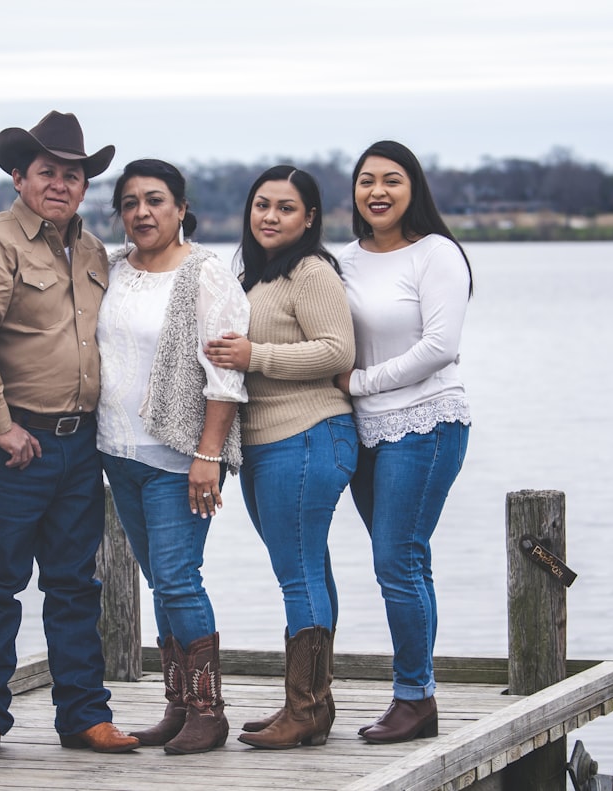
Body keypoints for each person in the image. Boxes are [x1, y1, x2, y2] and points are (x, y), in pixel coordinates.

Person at [0, 111, 139, 757]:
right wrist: (0, 427)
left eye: (73, 173)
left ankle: (84, 715)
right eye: (47, 171)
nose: (61, 182)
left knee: (75, 582)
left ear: (85, 185)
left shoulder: (89, 249)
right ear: (18, 176)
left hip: (78, 442)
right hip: (8, 442)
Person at [97, 159, 250, 754]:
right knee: (160, 581)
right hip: (117, 450)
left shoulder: (205, 275)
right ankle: (178, 704)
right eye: (130, 202)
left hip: (178, 454)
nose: (142, 212)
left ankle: (209, 712)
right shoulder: (110, 270)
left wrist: (208, 454)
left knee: (180, 580)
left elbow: (225, 374)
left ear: (181, 208)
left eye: (155, 200)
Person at [205, 165, 357, 749]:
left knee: (296, 573)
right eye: (262, 205)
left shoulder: (311, 272)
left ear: (310, 218)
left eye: (286, 208)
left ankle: (306, 708)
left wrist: (254, 355)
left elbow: (336, 351)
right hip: (269, 443)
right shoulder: (256, 277)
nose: (270, 216)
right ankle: (312, 705)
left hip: (309, 432)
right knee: (308, 567)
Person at [335, 140, 472, 745]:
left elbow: (441, 347)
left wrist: (363, 382)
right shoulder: (344, 260)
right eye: (367, 181)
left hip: (425, 422)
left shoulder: (436, 254)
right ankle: (422, 693)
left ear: (413, 188)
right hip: (364, 431)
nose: (378, 192)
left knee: (397, 561)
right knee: (407, 562)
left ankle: (413, 698)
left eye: (392, 180)